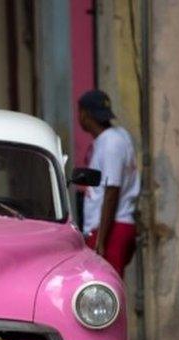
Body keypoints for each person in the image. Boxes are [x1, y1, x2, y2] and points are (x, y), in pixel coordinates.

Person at [77, 89, 140, 277]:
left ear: (85, 114)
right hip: (109, 227)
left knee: (105, 290)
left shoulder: (111, 143)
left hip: (111, 228)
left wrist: (101, 240)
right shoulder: (116, 137)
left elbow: (112, 191)